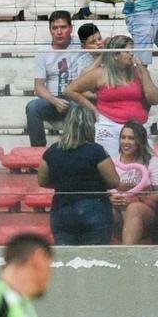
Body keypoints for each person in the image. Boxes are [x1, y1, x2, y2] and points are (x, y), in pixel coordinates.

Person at [38, 105, 122, 245]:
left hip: (62, 209)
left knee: (66, 260)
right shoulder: (96, 151)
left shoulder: (52, 152)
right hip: (95, 207)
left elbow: (42, 181)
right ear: (90, 126)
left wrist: (65, 183)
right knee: (95, 259)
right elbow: (114, 181)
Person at [65, 35, 158, 158]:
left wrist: (143, 71)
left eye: (132, 51)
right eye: (127, 51)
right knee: (111, 165)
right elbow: (70, 90)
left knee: (147, 164)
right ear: (115, 55)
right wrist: (93, 108)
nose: (131, 54)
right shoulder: (100, 74)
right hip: (110, 126)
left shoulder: (140, 73)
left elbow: (154, 100)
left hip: (139, 128)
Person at [26, 11, 80, 148]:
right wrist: (55, 101)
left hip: (74, 99)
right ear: (50, 30)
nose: (59, 32)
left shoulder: (80, 46)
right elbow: (38, 87)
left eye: (63, 27)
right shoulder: (43, 52)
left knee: (78, 107)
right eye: (55, 28)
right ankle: (38, 151)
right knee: (32, 107)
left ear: (71, 28)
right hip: (52, 101)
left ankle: (73, 149)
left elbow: (97, 44)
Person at [111, 120, 158, 244]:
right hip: (117, 210)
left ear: (140, 141)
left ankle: (127, 255)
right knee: (104, 209)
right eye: (123, 137)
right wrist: (110, 199)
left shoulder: (153, 162)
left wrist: (138, 198)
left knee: (133, 208)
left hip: (145, 211)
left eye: (131, 138)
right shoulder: (112, 162)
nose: (126, 142)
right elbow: (102, 190)